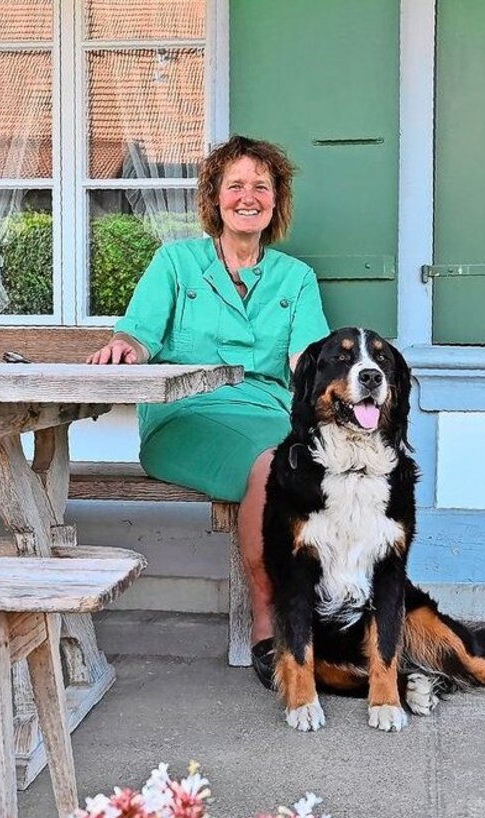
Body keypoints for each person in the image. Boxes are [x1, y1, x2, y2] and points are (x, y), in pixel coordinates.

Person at [87, 136, 330, 688]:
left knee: (307, 456)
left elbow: (305, 363)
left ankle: (329, 615)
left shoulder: (296, 278)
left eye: (261, 187)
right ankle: (269, 625)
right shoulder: (176, 262)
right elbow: (139, 333)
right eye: (235, 186)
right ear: (214, 198)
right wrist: (126, 347)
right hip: (188, 414)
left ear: (277, 200)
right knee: (274, 465)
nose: (249, 197)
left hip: (270, 410)